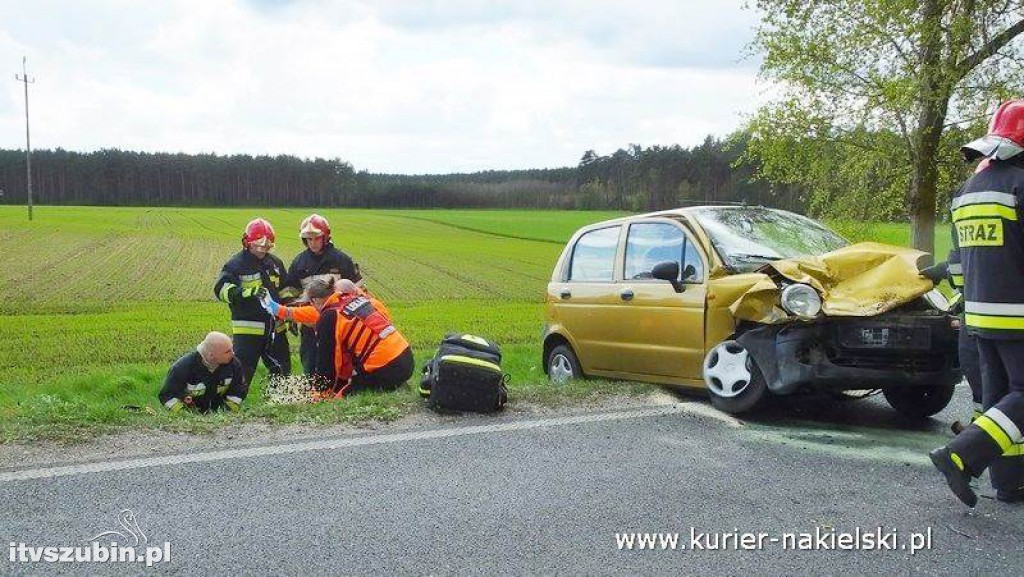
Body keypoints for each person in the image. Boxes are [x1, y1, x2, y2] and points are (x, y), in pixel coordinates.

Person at [929, 99, 1024, 507]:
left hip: (980, 315)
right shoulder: (1020, 185)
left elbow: (959, 262)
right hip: (1019, 314)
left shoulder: (967, 191)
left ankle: (1010, 482)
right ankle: (960, 455)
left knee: (1000, 401)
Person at [263, 279, 413, 397]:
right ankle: (398, 384)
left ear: (314, 301)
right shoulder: (358, 300)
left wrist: (322, 392)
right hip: (406, 357)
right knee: (353, 377)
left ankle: (390, 384)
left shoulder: (329, 316)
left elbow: (328, 363)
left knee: (344, 395)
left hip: (385, 368)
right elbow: (302, 313)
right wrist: (276, 308)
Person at [213, 218, 296, 385]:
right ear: (247, 243)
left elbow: (284, 290)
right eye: (258, 246)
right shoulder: (236, 265)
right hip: (248, 331)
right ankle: (233, 400)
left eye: (266, 247)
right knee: (241, 373)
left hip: (276, 329)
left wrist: (291, 314)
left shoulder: (275, 264)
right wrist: (247, 292)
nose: (262, 250)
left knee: (282, 371)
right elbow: (221, 290)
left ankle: (280, 399)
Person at [285, 214, 362, 374]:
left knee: (340, 363)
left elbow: (358, 291)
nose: (312, 243)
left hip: (339, 324)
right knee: (311, 365)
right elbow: (290, 293)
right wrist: (294, 316)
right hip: (310, 325)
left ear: (325, 237)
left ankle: (341, 387)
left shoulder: (342, 260)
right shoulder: (299, 263)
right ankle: (314, 388)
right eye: (309, 239)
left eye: (316, 238)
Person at [159, 332, 248, 412]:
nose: (233, 353)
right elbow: (168, 396)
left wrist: (226, 413)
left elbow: (238, 391)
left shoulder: (234, 365)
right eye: (227, 351)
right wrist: (184, 415)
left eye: (232, 349)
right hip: (190, 417)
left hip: (220, 416)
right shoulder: (182, 368)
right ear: (211, 356)